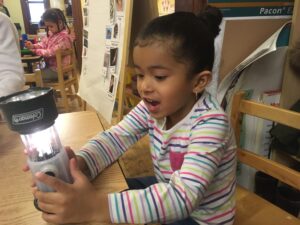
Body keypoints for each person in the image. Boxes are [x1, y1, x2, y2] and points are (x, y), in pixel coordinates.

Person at [28, 6, 236, 225]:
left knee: (104, 209)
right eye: (140, 74)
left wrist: (96, 207)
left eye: (159, 76)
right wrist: (81, 164)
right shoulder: (153, 108)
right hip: (169, 189)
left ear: (199, 81)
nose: (144, 86)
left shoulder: (211, 123)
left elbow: (183, 198)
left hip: (202, 218)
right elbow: (115, 138)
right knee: (112, 192)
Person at [25, 8, 72, 81]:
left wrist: (35, 51)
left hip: (59, 71)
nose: (49, 29)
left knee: (34, 76)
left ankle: (44, 91)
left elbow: (50, 52)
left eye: (51, 26)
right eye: (48, 27)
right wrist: (33, 46)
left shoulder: (64, 37)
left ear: (60, 23)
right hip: (52, 68)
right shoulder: (52, 34)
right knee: (34, 74)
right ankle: (45, 91)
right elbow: (43, 43)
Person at [0, 13, 24, 97]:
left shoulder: (2, 21)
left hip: (53, 69)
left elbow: (11, 77)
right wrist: (35, 47)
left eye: (51, 27)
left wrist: (39, 50)